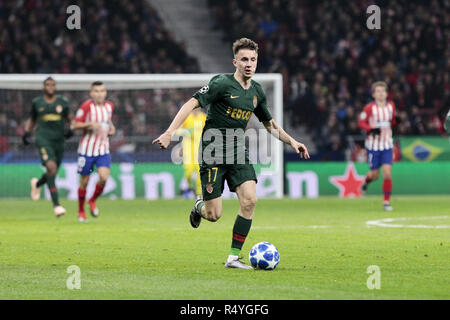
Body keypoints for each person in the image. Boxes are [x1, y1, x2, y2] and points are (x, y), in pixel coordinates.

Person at [153, 38, 309, 269]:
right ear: (235, 61)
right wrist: (169, 132)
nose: (249, 64)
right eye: (244, 59)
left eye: (253, 59)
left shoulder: (256, 91)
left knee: (250, 200)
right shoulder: (221, 83)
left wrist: (292, 141)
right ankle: (199, 206)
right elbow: (191, 104)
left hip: (238, 153)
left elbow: (269, 124)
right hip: (213, 153)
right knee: (214, 214)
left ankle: (233, 257)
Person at [23, 77, 73, 217]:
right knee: (51, 168)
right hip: (43, 139)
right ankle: (57, 205)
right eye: (47, 85)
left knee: (53, 172)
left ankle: (37, 184)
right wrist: (27, 132)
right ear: (44, 87)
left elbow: (70, 119)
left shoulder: (63, 102)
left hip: (59, 141)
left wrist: (71, 129)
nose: (50, 87)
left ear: (55, 87)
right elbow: (32, 119)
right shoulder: (37, 102)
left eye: (53, 85)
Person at [72, 81, 116, 223]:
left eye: (102, 91)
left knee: (103, 178)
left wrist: (112, 129)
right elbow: (75, 124)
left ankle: (92, 200)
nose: (99, 93)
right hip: (87, 150)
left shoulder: (109, 106)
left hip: (103, 149)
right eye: (96, 91)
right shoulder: (86, 106)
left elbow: (108, 122)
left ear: (105, 93)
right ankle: (80, 211)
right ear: (91, 93)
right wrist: (89, 124)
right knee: (84, 182)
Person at [358, 81, 396, 211]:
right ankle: (366, 181)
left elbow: (393, 122)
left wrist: (398, 122)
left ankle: (386, 202)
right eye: (378, 91)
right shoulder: (369, 108)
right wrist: (370, 129)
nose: (381, 93)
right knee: (375, 175)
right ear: (373, 94)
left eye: (383, 91)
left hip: (387, 145)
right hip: (373, 146)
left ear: (386, 93)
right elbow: (361, 122)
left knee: (387, 173)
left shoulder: (391, 106)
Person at [176, 108, 207, 198]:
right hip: (188, 149)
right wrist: (186, 131)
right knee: (188, 172)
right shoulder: (187, 118)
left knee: (199, 172)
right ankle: (189, 188)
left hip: (200, 149)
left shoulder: (203, 117)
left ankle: (198, 194)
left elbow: (208, 131)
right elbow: (178, 131)